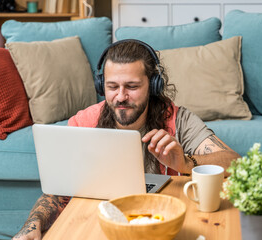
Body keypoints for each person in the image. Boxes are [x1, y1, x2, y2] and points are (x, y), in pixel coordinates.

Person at [13, 39, 241, 240]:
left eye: (132, 86)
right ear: (102, 86)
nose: (121, 96)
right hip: (105, 222)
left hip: (162, 223)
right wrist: (32, 225)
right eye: (112, 87)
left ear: (153, 86)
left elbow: (236, 163)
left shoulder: (179, 120)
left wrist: (186, 163)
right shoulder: (83, 123)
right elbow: (59, 189)